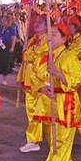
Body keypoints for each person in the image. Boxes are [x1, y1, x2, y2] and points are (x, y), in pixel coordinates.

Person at [35, 22, 81, 161]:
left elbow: (76, 80)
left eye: (54, 34)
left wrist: (57, 74)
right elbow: (36, 75)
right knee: (55, 142)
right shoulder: (46, 54)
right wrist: (41, 87)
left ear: (64, 38)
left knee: (59, 144)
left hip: (66, 104)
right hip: (50, 103)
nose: (49, 37)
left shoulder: (69, 56)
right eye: (49, 34)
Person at [17, 14, 47, 153]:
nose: (36, 24)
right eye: (37, 22)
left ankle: (34, 139)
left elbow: (36, 57)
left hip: (40, 81)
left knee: (36, 112)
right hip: (30, 79)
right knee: (31, 111)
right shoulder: (33, 40)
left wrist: (29, 54)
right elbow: (26, 57)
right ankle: (33, 139)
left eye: (40, 22)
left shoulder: (48, 41)